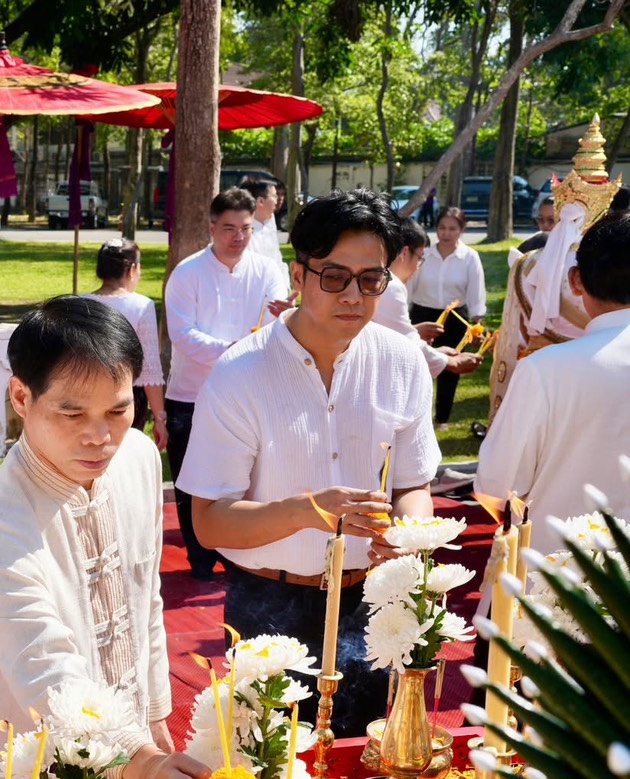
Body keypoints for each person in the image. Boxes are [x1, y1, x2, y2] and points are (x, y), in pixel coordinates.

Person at [178, 190, 441, 739]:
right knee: (267, 771)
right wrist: (306, 511)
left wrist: (409, 537)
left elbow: (413, 483)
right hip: (269, 604)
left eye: (371, 279)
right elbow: (210, 522)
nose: (354, 295)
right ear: (298, 275)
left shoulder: (402, 361)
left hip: (375, 599)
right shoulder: (240, 372)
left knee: (367, 760)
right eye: (335, 277)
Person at [0, 296, 209, 779]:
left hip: (138, 761)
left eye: (118, 411)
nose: (100, 437)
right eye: (72, 414)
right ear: (21, 396)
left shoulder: (138, 458)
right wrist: (139, 758)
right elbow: (45, 669)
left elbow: (145, 597)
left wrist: (154, 715)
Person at [476, 213, 630, 552]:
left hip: (560, 567)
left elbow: (496, 485)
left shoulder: (544, 369)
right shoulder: (544, 369)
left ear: (575, 280)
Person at [162, 187, 292, 580]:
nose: (238, 237)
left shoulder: (268, 270)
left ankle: (241, 555)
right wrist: (232, 349)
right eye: (229, 228)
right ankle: (200, 559)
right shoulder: (187, 273)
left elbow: (279, 326)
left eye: (246, 228)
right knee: (192, 483)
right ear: (211, 228)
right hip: (191, 393)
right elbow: (182, 334)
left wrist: (288, 316)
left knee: (249, 478)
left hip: (252, 392)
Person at [84, 239, 167, 448]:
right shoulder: (141, 306)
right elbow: (150, 369)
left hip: (84, 391)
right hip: (125, 395)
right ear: (132, 269)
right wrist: (160, 418)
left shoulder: (79, 302)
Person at [406, 206, 485, 423]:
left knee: (451, 368)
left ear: (461, 230)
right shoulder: (424, 254)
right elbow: (409, 284)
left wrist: (477, 320)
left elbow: (476, 292)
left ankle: (442, 418)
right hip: (423, 315)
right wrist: (405, 312)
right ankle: (414, 416)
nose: (446, 233)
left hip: (455, 319)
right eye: (442, 228)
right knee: (418, 366)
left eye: (452, 229)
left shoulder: (469, 257)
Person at [376, 216, 481, 380]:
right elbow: (405, 342)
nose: (419, 267)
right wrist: (450, 361)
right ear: (405, 252)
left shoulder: (380, 280)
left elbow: (391, 335)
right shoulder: (391, 287)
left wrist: (434, 351)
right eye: (420, 258)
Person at [241, 177, 285, 267]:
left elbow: (278, 260)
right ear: (261, 201)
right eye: (274, 196)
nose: (277, 200)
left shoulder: (270, 220)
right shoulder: (243, 234)